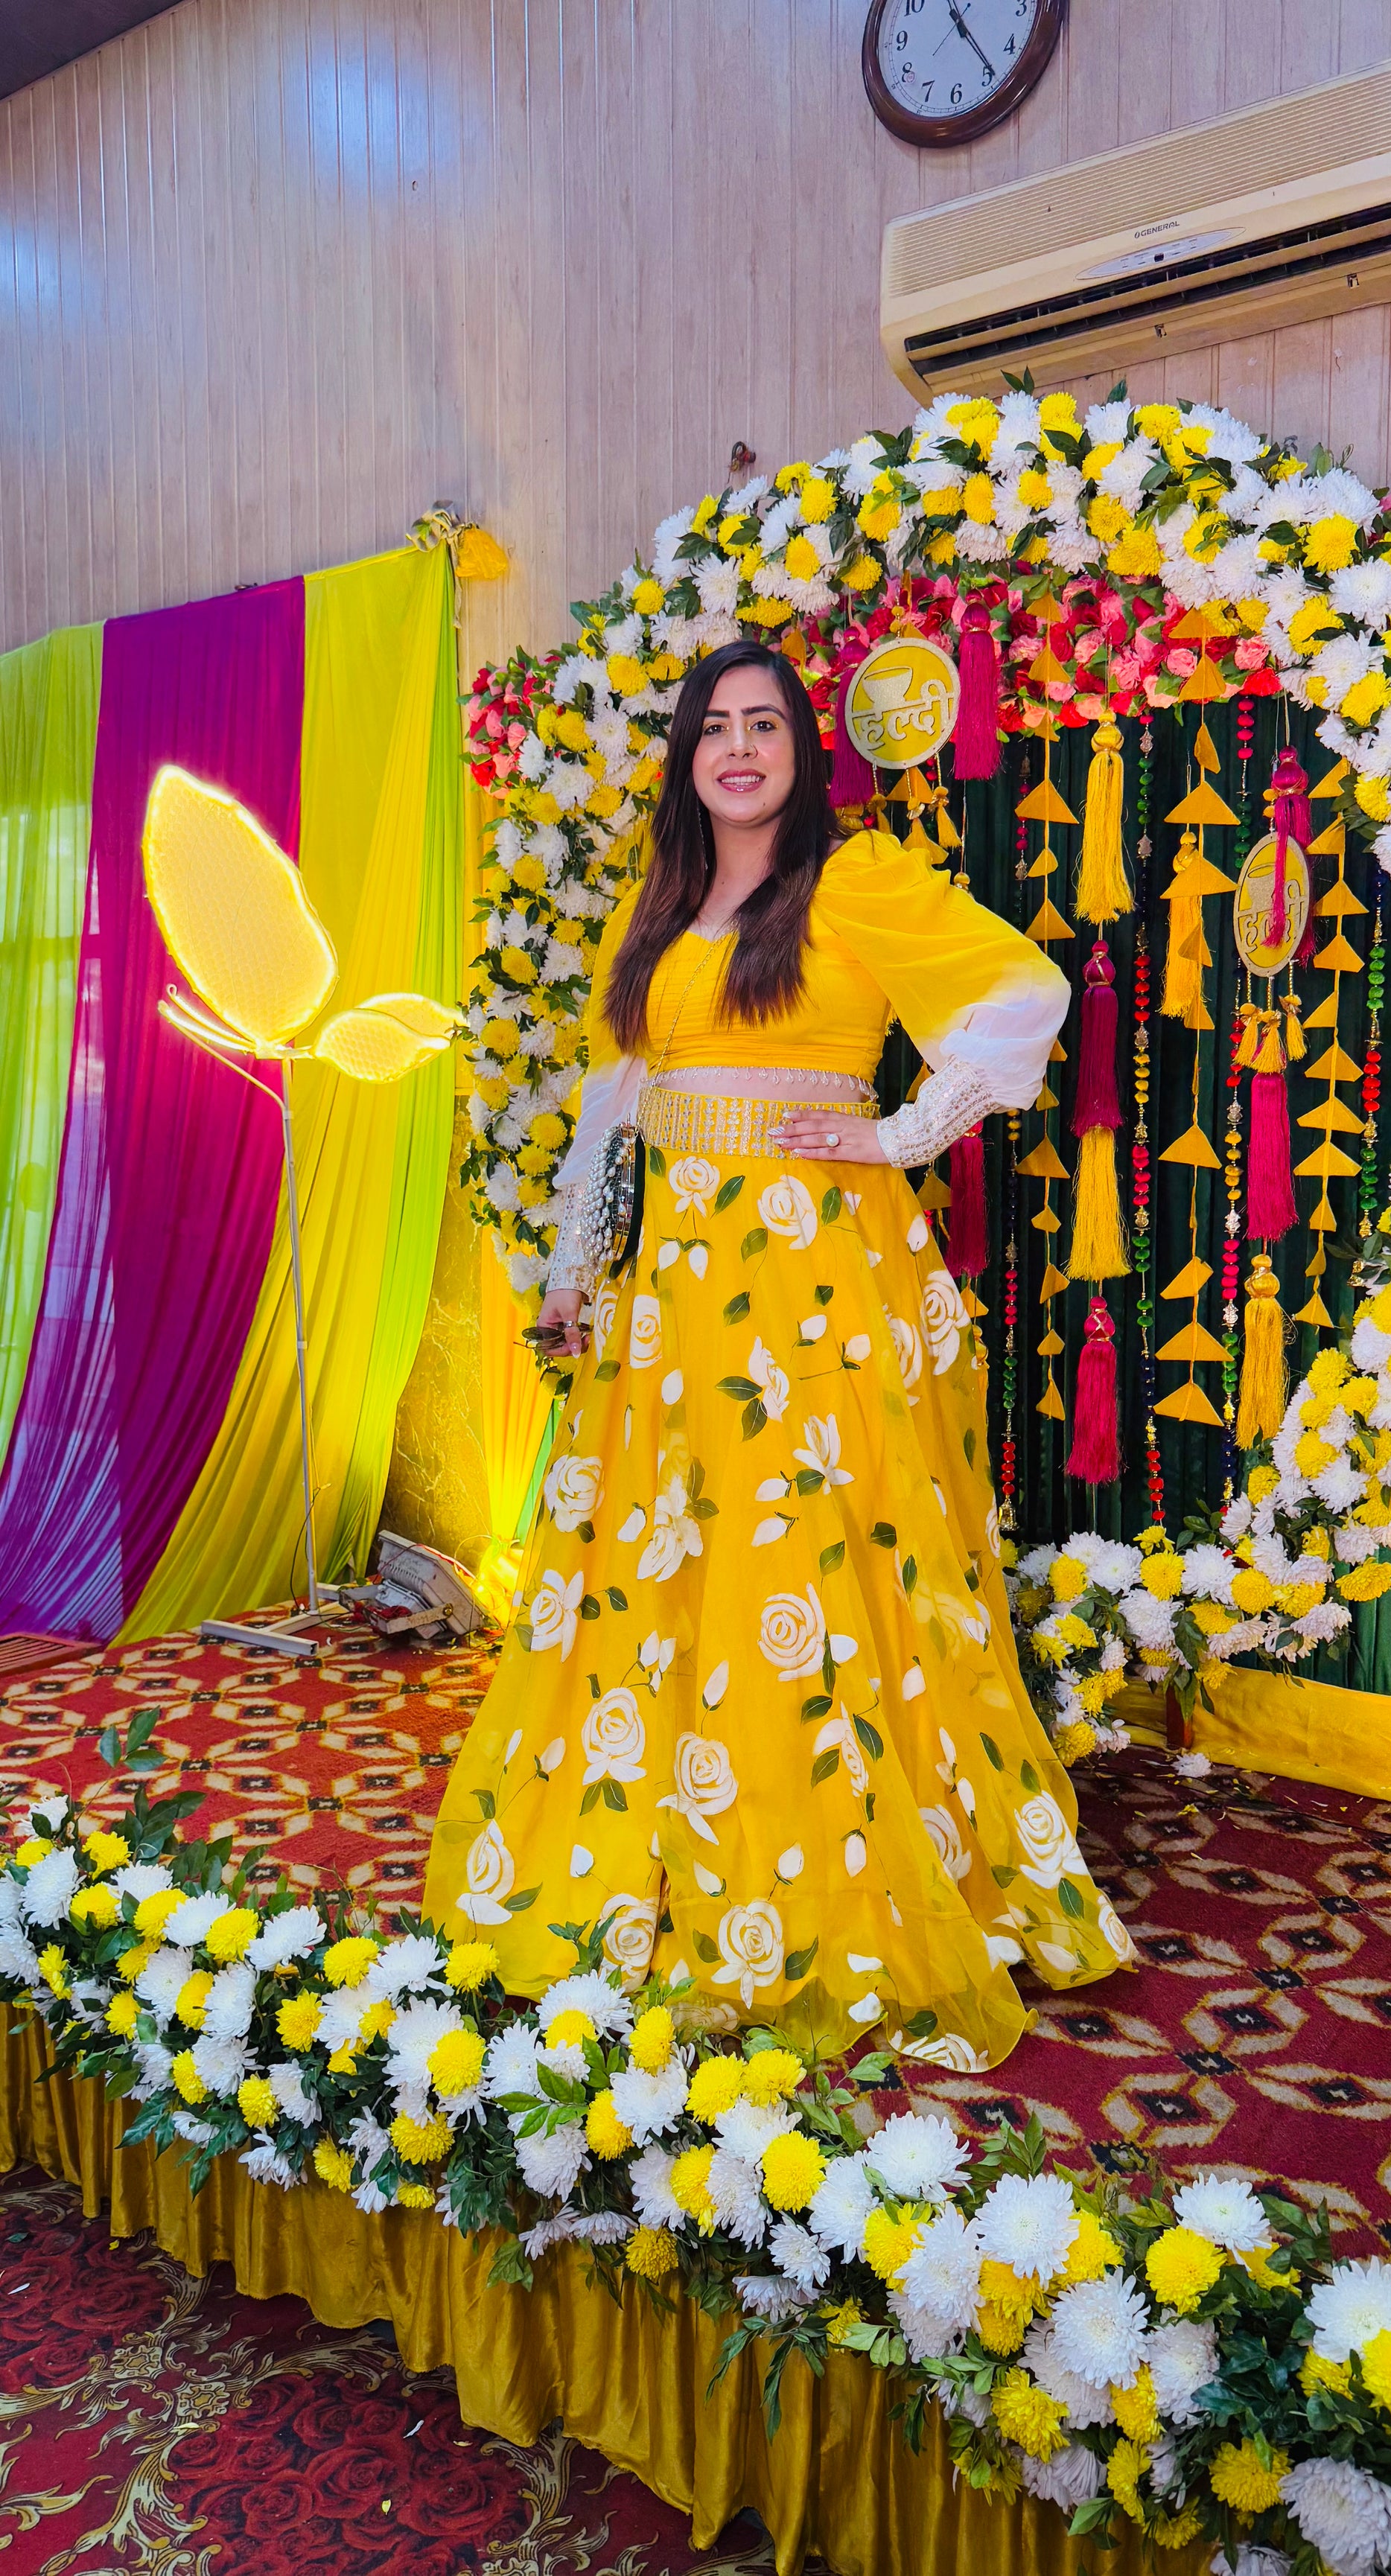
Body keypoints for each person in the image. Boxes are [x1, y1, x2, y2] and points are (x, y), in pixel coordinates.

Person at [424, 639, 1132, 2068]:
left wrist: (896, 1134)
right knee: (670, 1552)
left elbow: (1023, 997)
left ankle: (829, 1881)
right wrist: (573, 1274)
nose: (738, 748)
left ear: (803, 753)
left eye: (763, 724)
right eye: (713, 727)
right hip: (674, 1296)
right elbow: (617, 1106)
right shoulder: (661, 908)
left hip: (815, 1276)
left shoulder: (852, 880)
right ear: (686, 757)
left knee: (804, 1553)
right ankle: (673, 1851)